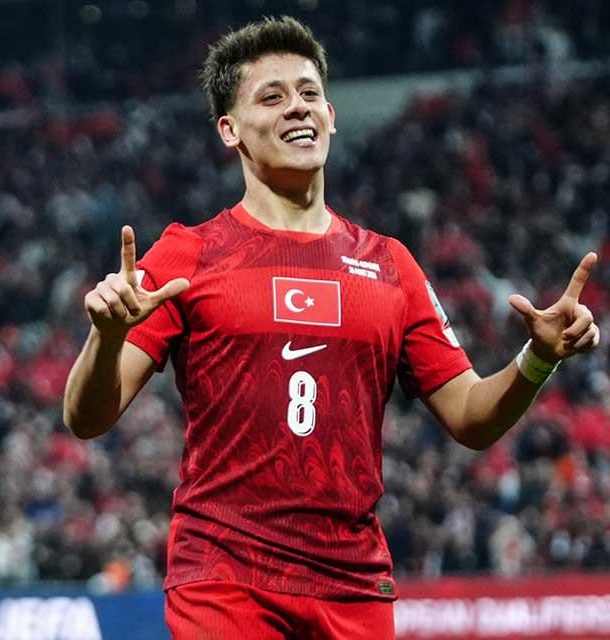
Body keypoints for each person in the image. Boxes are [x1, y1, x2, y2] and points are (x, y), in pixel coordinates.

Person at [62, 16, 599, 639]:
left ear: (332, 116)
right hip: (226, 578)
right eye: (272, 97)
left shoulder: (390, 265)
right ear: (229, 130)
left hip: (353, 585)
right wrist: (105, 337)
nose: (298, 107)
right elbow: (86, 418)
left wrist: (537, 359)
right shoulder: (190, 254)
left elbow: (470, 416)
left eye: (309, 93)